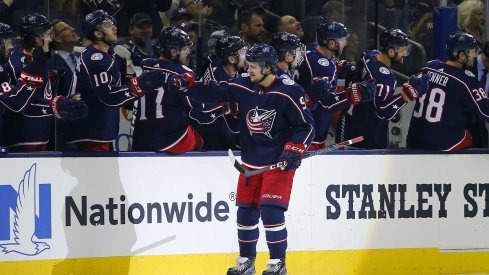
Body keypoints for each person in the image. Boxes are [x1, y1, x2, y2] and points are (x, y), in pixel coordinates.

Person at [171, 43, 314, 275]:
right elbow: (214, 91)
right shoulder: (244, 85)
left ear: (268, 67)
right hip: (250, 163)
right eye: (248, 65)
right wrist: (189, 86)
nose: (249, 71)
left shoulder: (289, 90)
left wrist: (295, 148)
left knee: (271, 212)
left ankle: (278, 263)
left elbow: (306, 126)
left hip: (278, 163)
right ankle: (246, 261)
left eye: (255, 66)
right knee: (245, 213)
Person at [66, 10, 166, 151]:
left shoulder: (107, 55)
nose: (114, 27)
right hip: (90, 135)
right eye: (108, 25)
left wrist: (126, 69)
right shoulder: (97, 60)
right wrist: (139, 85)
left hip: (98, 131)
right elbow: (108, 96)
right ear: (98, 34)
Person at [336, 28, 429, 149]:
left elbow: (355, 71)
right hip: (363, 138)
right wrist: (407, 94)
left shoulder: (369, 56)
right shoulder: (385, 78)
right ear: (391, 52)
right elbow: (384, 111)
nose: (405, 54)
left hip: (346, 124)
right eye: (402, 50)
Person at [407, 32, 489, 151]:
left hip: (415, 141)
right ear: (461, 55)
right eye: (472, 51)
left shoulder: (429, 66)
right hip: (444, 145)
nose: (476, 55)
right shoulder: (466, 79)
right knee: (472, 138)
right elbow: (486, 111)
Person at [131, 26, 207, 153]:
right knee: (202, 139)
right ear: (173, 52)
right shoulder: (183, 73)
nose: (187, 52)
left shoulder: (142, 65)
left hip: (140, 141)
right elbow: (199, 110)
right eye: (184, 49)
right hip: (172, 141)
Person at [296, 19, 359, 150]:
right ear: (331, 43)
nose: (345, 43)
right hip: (311, 134)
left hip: (296, 123)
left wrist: (339, 66)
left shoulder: (313, 47)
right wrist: (354, 94)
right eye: (342, 40)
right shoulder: (323, 68)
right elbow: (326, 103)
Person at [193, 35, 247, 150]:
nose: (246, 56)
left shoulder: (226, 67)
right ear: (231, 59)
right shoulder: (218, 80)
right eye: (243, 52)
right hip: (211, 135)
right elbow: (205, 116)